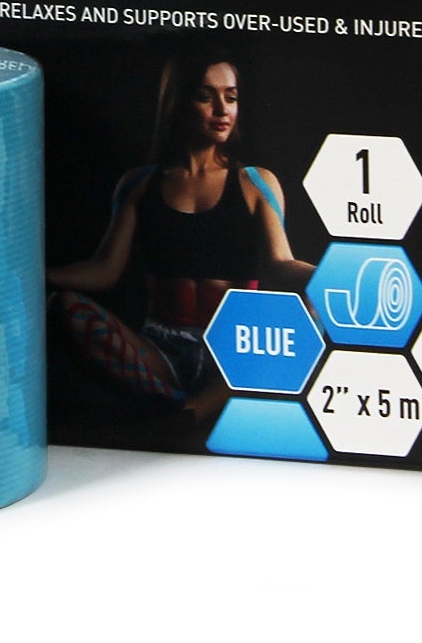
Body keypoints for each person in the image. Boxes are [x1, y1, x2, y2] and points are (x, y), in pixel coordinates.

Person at [47, 52, 313, 424]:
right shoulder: (139, 184)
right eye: (205, 96)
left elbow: (280, 263)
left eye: (231, 97)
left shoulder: (255, 182)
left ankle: (191, 410)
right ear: (178, 102)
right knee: (65, 308)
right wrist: (37, 275)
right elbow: (105, 270)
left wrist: (331, 279)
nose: (222, 110)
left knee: (314, 311)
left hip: (235, 348)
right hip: (161, 350)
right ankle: (179, 404)